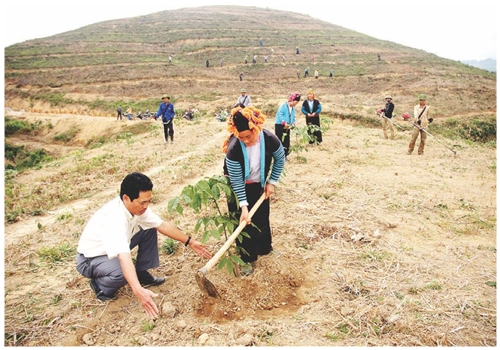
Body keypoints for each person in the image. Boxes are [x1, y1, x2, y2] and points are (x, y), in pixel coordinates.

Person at [76, 172, 212, 318]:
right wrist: (138, 290)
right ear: (126, 198)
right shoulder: (114, 219)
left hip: (113, 248)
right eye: (142, 202)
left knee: (149, 229)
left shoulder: (137, 209)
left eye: (149, 201)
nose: (146, 206)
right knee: (123, 272)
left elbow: (162, 225)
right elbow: (124, 258)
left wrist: (189, 241)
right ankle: (101, 287)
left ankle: (141, 273)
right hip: (91, 260)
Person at [222, 106, 285, 275]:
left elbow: (280, 159)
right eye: (241, 137)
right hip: (237, 187)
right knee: (243, 223)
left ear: (256, 128)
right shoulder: (234, 147)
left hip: (258, 184)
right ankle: (246, 259)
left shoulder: (270, 139)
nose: (245, 140)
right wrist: (243, 206)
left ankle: (265, 248)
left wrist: (272, 181)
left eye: (248, 136)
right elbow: (235, 179)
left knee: (262, 216)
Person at [275, 92, 300, 157]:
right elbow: (280, 114)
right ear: (292, 100)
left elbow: (293, 117)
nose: (296, 104)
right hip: (280, 125)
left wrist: (293, 123)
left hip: (287, 127)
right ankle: (278, 156)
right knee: (279, 140)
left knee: (286, 141)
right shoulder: (283, 105)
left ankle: (285, 155)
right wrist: (284, 122)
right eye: (296, 102)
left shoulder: (293, 109)